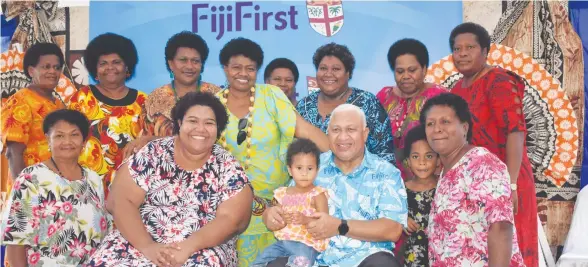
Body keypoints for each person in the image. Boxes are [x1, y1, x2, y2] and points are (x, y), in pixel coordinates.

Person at [85, 92, 253, 266]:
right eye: (193, 121)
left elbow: (232, 219)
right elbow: (120, 201)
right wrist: (148, 247)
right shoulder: (153, 153)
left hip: (202, 247)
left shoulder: (227, 165)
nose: (200, 129)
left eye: (209, 123)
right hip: (139, 239)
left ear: (218, 129)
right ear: (180, 123)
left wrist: (187, 247)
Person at [216, 37, 329, 266]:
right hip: (231, 210)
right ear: (225, 68)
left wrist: (346, 159)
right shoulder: (213, 106)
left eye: (250, 68)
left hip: (279, 210)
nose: (243, 73)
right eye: (236, 67)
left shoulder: (271, 97)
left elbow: (304, 130)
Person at [264, 104, 407, 267]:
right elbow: (283, 204)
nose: (342, 137)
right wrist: (271, 214)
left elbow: (392, 229)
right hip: (312, 256)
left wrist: (340, 226)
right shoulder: (311, 167)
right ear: (328, 133)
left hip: (366, 258)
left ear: (365, 134)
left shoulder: (386, 173)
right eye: (336, 130)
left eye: (351, 129)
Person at [449, 22, 538, 267]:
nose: (463, 53)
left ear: (486, 51)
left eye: (470, 47)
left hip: (506, 177)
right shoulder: (457, 89)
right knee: (476, 247)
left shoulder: (498, 81)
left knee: (510, 246)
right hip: (473, 181)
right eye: (457, 49)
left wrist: (510, 184)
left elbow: (515, 132)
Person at [420, 93, 524, 266]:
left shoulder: (481, 163)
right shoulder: (446, 170)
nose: (437, 129)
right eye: (430, 123)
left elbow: (500, 227)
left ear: (465, 128)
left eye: (445, 121)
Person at [2, 109, 111, 267]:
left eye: (74, 135)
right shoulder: (31, 178)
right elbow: (16, 243)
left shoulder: (94, 179)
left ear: (84, 141)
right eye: (59, 135)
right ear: (48, 139)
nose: (67, 141)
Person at [67, 33, 147, 195]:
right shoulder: (82, 98)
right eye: (103, 63)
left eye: (116, 62)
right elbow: (69, 140)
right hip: (86, 188)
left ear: (127, 67)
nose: (110, 67)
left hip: (130, 188)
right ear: (94, 69)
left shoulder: (143, 101)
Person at [297, 43, 395, 164]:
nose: (328, 74)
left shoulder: (367, 103)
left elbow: (384, 153)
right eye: (323, 68)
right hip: (309, 180)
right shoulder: (304, 105)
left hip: (360, 180)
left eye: (336, 69)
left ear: (348, 74)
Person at [127, 31, 221, 157]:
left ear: (202, 64)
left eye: (195, 61)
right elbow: (143, 145)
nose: (189, 66)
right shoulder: (154, 99)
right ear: (171, 64)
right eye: (183, 60)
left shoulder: (217, 95)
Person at [252, 138, 329, 267]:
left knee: (301, 262)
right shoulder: (282, 193)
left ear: (317, 170)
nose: (304, 173)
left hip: (306, 244)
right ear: (290, 170)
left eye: (309, 168)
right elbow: (275, 218)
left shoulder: (317, 194)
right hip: (282, 242)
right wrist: (282, 219)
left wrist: (306, 219)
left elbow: (325, 223)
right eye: (299, 168)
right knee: (260, 260)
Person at [376, 38, 446, 179]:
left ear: (424, 69)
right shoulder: (384, 96)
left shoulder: (440, 97)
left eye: (412, 70)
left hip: (431, 181)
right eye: (400, 71)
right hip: (390, 181)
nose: (406, 76)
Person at [2, 42, 67, 181]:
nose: (53, 72)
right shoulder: (20, 101)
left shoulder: (59, 105)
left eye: (57, 67)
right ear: (31, 71)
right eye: (46, 67)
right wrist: (24, 192)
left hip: (57, 187)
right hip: (31, 188)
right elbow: (13, 153)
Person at [401, 124, 438, 267]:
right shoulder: (402, 190)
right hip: (413, 256)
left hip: (441, 252)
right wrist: (402, 219)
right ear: (408, 161)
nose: (422, 162)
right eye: (416, 156)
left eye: (429, 156)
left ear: (438, 159)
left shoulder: (444, 186)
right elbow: (392, 214)